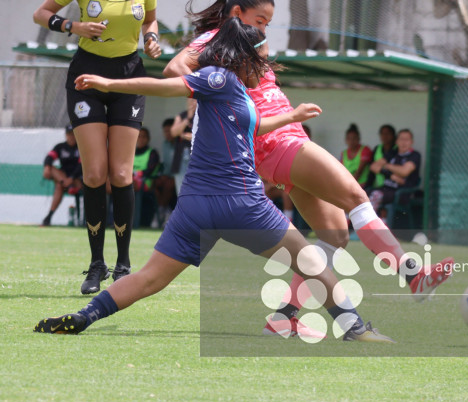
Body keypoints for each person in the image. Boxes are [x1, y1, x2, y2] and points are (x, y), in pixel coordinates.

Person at [35, 17, 392, 343]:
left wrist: (290, 116)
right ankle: (355, 330)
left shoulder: (232, 89)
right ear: (245, 58)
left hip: (196, 207)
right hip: (241, 203)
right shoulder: (217, 77)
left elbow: (249, 126)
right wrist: (110, 82)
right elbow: (166, 85)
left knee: (149, 279)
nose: (266, 70)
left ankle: (85, 317)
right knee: (312, 263)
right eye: (263, 61)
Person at [164, 0, 453, 338]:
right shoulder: (215, 38)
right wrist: (208, 95)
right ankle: (412, 275)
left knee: (335, 234)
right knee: (356, 197)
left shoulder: (243, 40)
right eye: (260, 19)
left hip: (280, 140)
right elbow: (175, 68)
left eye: (269, 22)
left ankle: (284, 317)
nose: (264, 29)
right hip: (275, 140)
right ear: (237, 13)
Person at [32, 0, 161, 294]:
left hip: (128, 75)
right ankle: (95, 265)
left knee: (121, 175)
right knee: (93, 174)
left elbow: (151, 23)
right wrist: (73, 27)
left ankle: (123, 265)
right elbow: (41, 14)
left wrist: (152, 39)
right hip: (86, 76)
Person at [369, 129, 421, 223]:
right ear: (396, 141)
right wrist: (391, 175)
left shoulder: (415, 155)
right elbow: (373, 167)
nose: (403, 142)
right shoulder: (392, 153)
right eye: (401, 139)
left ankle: (368, 227)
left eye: (407, 139)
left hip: (401, 192)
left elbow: (404, 172)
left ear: (412, 142)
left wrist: (386, 166)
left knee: (376, 195)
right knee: (364, 193)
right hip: (386, 188)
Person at [41, 124, 82, 226]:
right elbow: (49, 157)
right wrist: (47, 167)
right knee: (53, 172)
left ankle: (49, 217)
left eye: (73, 134)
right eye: (69, 134)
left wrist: (71, 178)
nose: (71, 137)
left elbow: (81, 166)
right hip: (64, 179)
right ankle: (49, 217)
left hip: (77, 180)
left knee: (60, 185)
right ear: (66, 135)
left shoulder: (81, 147)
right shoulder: (60, 147)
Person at [132, 127, 161, 227]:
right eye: (139, 136)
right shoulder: (131, 152)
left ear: (148, 139)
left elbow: (149, 170)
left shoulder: (152, 153)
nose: (141, 139)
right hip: (130, 181)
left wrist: (135, 175)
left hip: (146, 182)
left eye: (144, 137)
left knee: (126, 185)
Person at [340, 123, 372, 189]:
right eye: (349, 138)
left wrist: (348, 186)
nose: (351, 141)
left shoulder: (365, 150)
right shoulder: (344, 153)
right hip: (348, 185)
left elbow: (359, 172)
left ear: (358, 139)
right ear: (345, 140)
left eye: (354, 138)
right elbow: (341, 171)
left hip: (363, 186)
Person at [368, 124, 397, 189]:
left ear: (393, 135)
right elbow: (371, 170)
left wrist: (381, 170)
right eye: (382, 134)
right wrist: (368, 186)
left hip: (393, 186)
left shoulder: (397, 149)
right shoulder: (377, 148)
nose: (385, 136)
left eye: (387, 134)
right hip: (378, 186)